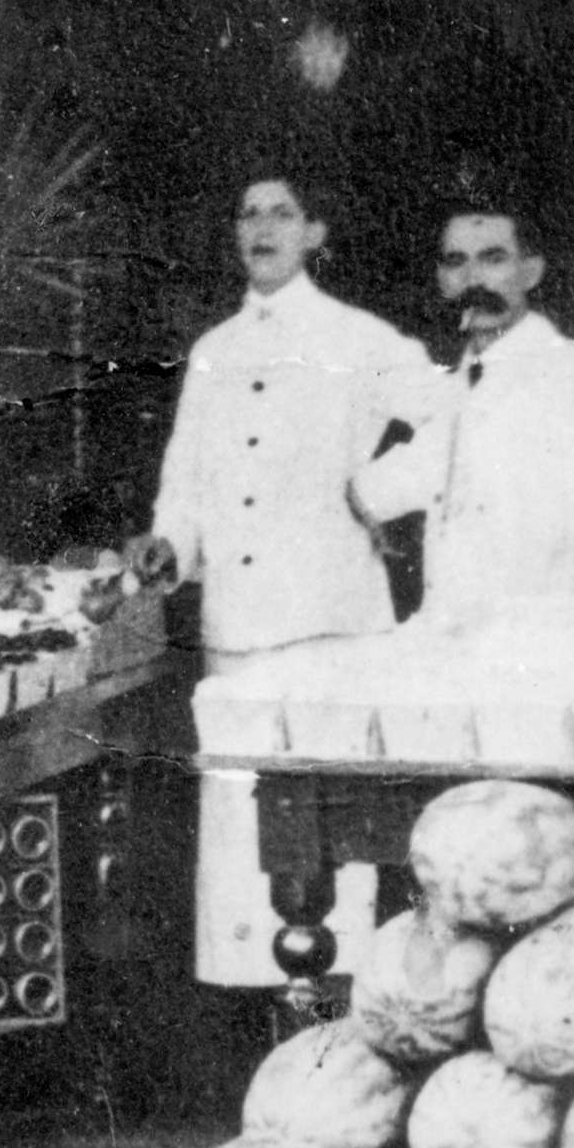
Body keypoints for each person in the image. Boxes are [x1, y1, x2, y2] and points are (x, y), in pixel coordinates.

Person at [132, 175, 431, 990]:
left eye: (282, 213)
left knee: (334, 826)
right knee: (241, 828)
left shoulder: (358, 337)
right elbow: (184, 483)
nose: (261, 226)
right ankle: (259, 1028)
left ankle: (340, 1014)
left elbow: (454, 411)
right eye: (248, 213)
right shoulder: (215, 351)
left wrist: (382, 492)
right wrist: (169, 548)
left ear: (316, 233)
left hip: (332, 620)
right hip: (238, 626)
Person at [352, 206, 574, 629]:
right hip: (455, 646)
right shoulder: (456, 391)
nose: (474, 279)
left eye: (493, 258)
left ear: (531, 270)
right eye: (456, 262)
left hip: (549, 646)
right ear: (441, 279)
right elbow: (377, 490)